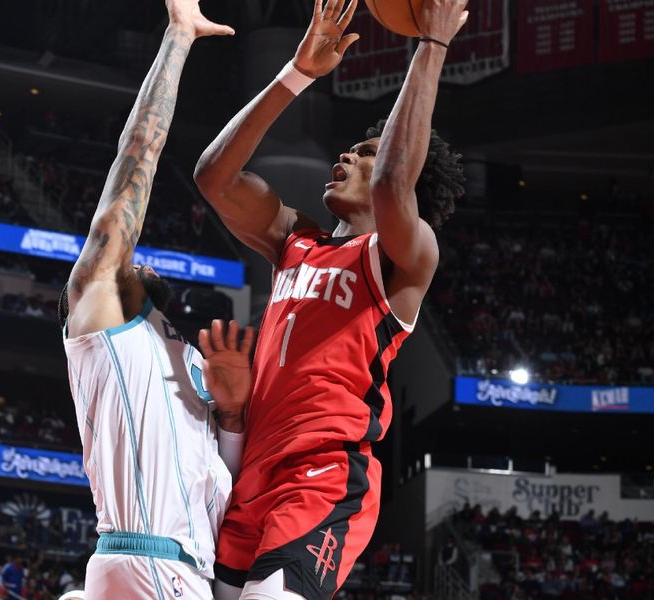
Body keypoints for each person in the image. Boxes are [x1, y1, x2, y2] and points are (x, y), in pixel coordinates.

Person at [194, 0, 468, 597]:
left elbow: (398, 178)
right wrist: (295, 75)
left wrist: (433, 45)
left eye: (364, 154)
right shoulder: (294, 241)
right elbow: (213, 177)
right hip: (251, 472)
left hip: (322, 474)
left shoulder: (403, 256)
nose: (346, 155)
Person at [55, 1, 251, 598]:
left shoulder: (193, 364)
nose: (137, 254)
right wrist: (179, 38)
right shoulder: (102, 317)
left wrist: (234, 416)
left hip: (188, 572)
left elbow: (218, 488)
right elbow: (135, 157)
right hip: (148, 562)